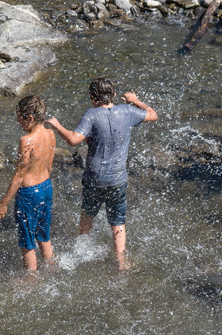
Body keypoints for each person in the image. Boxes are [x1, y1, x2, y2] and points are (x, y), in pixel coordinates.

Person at [47, 78, 157, 269]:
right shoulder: (127, 111)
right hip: (118, 179)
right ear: (114, 95)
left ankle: (82, 252)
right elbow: (153, 115)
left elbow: (74, 140)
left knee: (87, 215)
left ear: (92, 97)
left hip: (95, 179)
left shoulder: (91, 115)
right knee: (118, 221)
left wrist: (57, 125)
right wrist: (135, 100)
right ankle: (121, 261)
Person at [0, 96, 56, 274]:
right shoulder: (51, 134)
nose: (17, 121)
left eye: (19, 117)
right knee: (43, 234)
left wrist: (4, 203)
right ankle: (51, 267)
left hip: (30, 193)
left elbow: (19, 175)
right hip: (46, 187)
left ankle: (31, 277)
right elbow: (49, 166)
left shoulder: (26, 141)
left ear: (30, 118)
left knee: (27, 239)